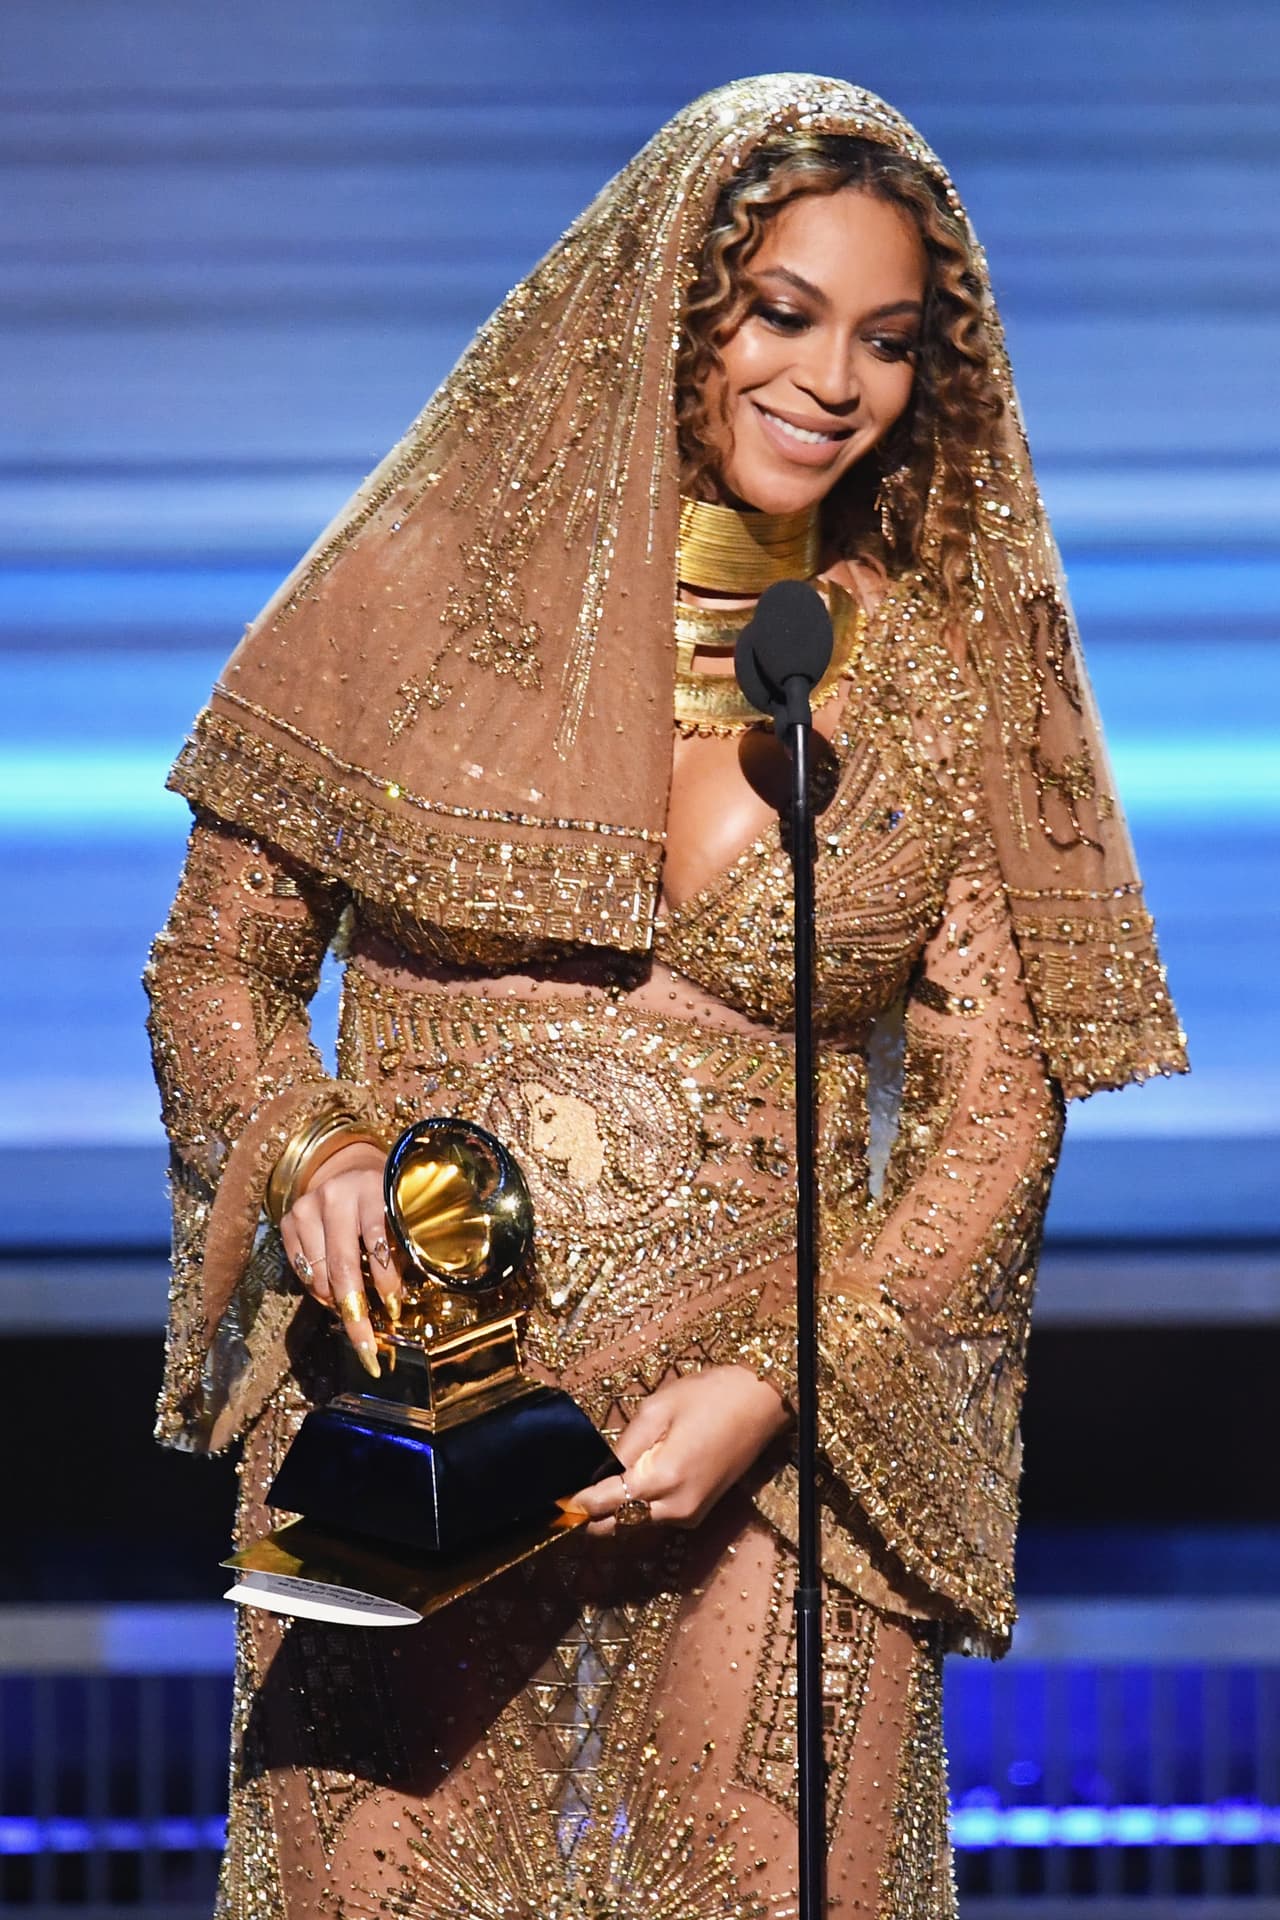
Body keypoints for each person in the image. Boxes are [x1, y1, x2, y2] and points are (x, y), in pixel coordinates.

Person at [145, 74, 1186, 1920]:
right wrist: (306, 1146)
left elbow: (995, 1109)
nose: (833, 382)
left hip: (775, 1468)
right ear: (672, 310)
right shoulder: (419, 610)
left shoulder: (926, 678)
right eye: (784, 315)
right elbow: (222, 962)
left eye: (886, 338)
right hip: (423, 1434)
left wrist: (782, 1383)